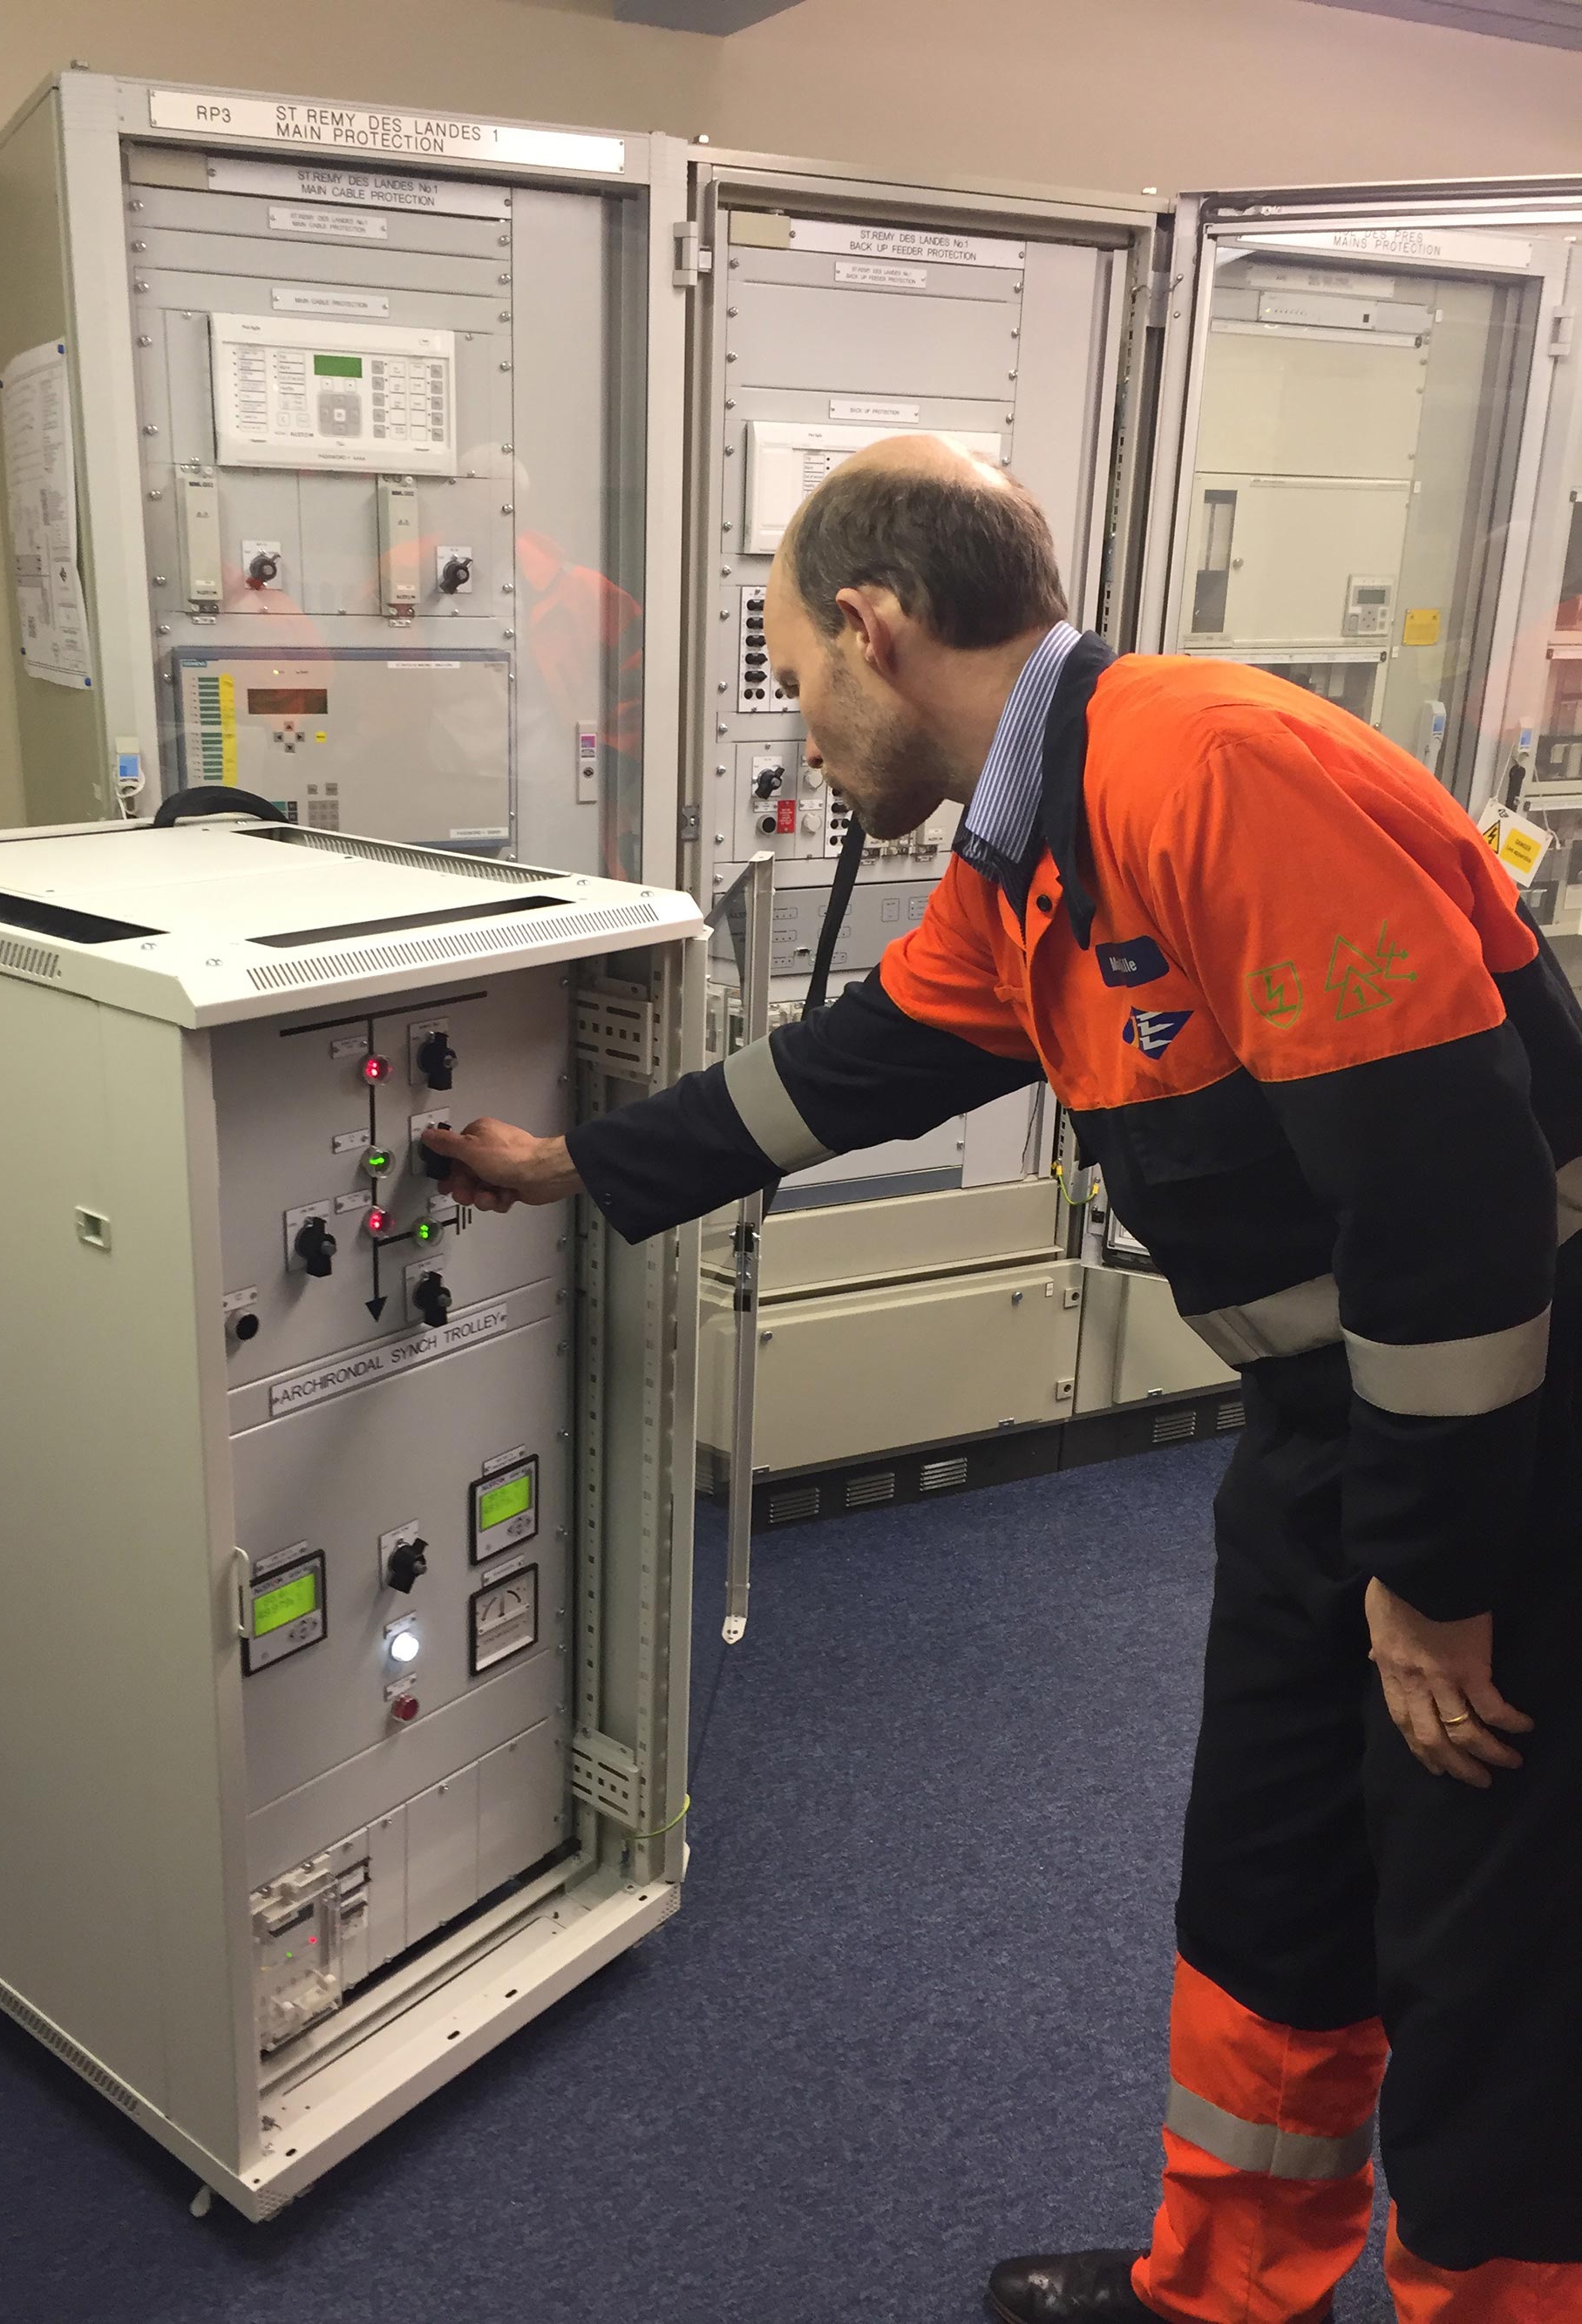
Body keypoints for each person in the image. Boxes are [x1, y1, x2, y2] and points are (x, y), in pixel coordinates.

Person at [422, 437, 1582, 2324]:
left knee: (1492, 1944)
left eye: (798, 678)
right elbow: (869, 1058)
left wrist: (1436, 1577)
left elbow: (1450, 1204)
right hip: (1332, 1437)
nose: (804, 735)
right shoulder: (1028, 842)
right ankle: (1224, 2284)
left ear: (875, 632)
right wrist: (581, 1169)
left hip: (1518, 1430)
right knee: (1270, 1877)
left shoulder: (1206, 763)